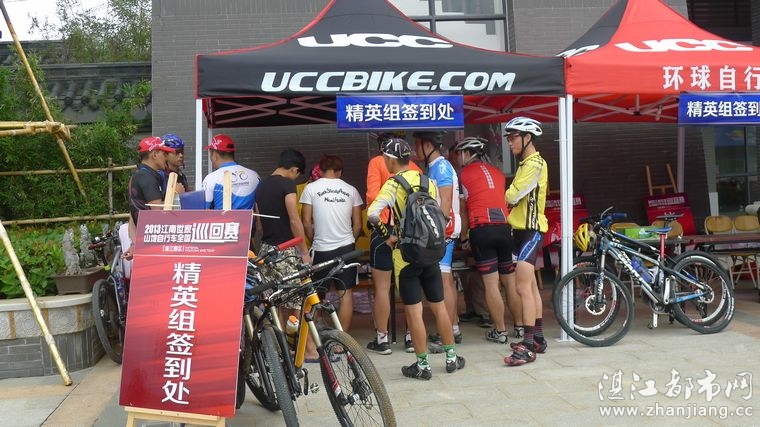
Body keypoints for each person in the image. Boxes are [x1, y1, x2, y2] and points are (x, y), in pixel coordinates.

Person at [367, 138, 465, 380]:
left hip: (406, 256)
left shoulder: (393, 184)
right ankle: (451, 357)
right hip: (430, 252)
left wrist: (388, 235)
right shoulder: (426, 181)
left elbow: (372, 213)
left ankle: (423, 365)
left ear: (390, 159)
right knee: (439, 307)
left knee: (414, 311)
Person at [452, 136, 522, 346]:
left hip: (482, 228)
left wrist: (463, 236)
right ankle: (519, 327)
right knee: (510, 283)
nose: (459, 158)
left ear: (467, 153)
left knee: (491, 284)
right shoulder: (498, 173)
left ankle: (500, 331)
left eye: (460, 153)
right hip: (504, 228)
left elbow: (463, 210)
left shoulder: (463, 174)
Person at [365, 133, 423, 355]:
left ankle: (382, 340)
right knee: (409, 284)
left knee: (382, 287)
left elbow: (372, 196)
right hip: (409, 232)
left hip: (384, 228)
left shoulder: (376, 162)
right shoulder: (415, 168)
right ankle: (411, 337)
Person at [502, 116, 549, 366]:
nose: (510, 143)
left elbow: (513, 194)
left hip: (531, 230)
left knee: (522, 287)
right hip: (521, 231)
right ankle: (538, 338)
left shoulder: (535, 163)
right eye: (508, 138)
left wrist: (510, 194)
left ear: (527, 137)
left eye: (513, 138)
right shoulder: (525, 164)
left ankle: (528, 346)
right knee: (529, 286)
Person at [300, 155, 363, 331]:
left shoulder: (311, 189)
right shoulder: (351, 190)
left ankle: (313, 340)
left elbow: (306, 222)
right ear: (340, 171)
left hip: (321, 249)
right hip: (347, 249)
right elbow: (358, 224)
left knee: (316, 295)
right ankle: (341, 340)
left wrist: (314, 239)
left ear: (320, 170)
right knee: (346, 294)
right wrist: (350, 241)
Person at [413, 131, 462, 348]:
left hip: (445, 229)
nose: (415, 149)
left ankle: (448, 331)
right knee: (446, 279)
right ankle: (453, 328)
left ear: (428, 145)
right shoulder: (435, 167)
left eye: (417, 144)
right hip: (444, 229)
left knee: (443, 280)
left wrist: (436, 231)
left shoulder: (441, 167)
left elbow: (445, 201)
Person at [123, 136, 175, 259]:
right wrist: (175, 193)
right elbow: (158, 214)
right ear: (154, 154)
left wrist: (135, 244)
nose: (166, 157)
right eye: (164, 154)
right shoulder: (148, 177)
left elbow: (132, 214)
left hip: (144, 241)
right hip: (153, 243)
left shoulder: (137, 176)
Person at [201, 134, 260, 210]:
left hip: (222, 218)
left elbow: (202, 210)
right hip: (250, 218)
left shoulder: (211, 178)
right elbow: (259, 207)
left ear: (214, 155)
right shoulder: (254, 175)